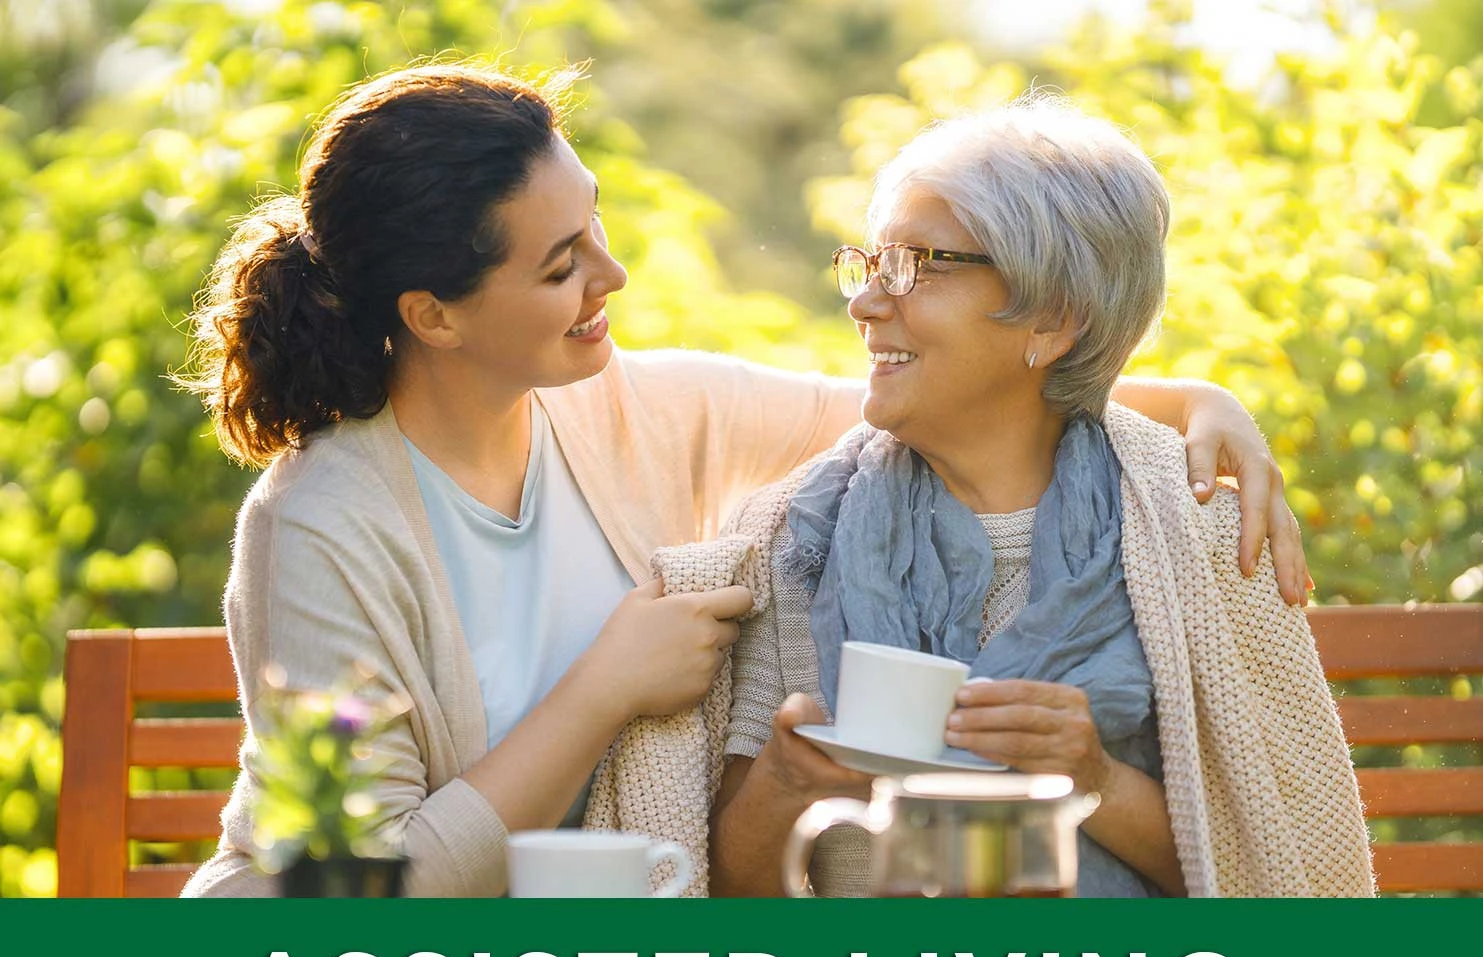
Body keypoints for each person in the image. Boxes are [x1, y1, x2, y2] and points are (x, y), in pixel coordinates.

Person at [177, 63, 1312, 897]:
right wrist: (605, 689)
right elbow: (339, 909)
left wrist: (1205, 405)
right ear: (433, 315)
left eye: (597, 229)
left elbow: (928, 395)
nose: (611, 276)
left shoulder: (635, 408)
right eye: (562, 263)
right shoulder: (323, 527)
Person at [710, 94, 1374, 897]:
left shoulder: (1199, 537)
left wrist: (1089, 775)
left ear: (1052, 318)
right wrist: (784, 782)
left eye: (916, 265)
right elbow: (730, 896)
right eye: (871, 262)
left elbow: (1283, 871)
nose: (864, 301)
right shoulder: (797, 535)